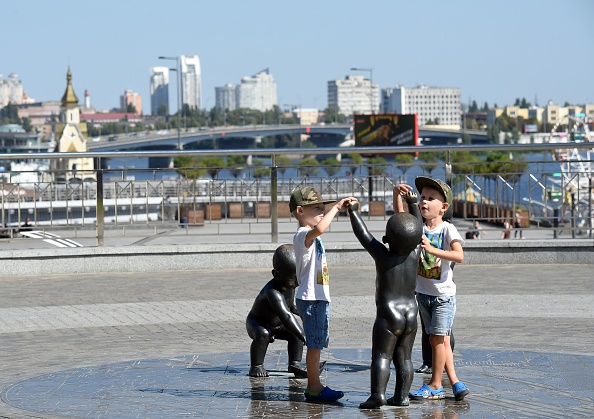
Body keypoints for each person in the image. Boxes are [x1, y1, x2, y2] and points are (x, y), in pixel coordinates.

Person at [348, 189, 423, 408]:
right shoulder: (416, 251)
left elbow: (364, 236)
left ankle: (377, 395)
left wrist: (353, 212)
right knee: (405, 358)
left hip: (388, 314)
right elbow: (419, 229)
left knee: (381, 356)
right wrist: (412, 203)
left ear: (386, 239)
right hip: (411, 311)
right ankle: (402, 396)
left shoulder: (382, 255)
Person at [396, 177, 469, 402]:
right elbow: (401, 222)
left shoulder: (447, 229)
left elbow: (459, 256)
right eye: (422, 198)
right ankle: (455, 382)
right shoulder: (418, 226)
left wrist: (432, 250)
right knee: (441, 341)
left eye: (431, 199)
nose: (424, 202)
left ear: (443, 207)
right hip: (424, 294)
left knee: (437, 340)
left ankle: (436, 385)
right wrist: (396, 196)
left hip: (443, 296)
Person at [289, 186, 356, 403]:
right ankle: (315, 387)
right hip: (311, 299)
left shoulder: (309, 236)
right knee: (315, 345)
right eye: (316, 208)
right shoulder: (302, 235)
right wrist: (336, 208)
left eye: (322, 208)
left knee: (317, 344)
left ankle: (313, 386)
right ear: (300, 211)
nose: (321, 211)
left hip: (317, 298)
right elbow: (320, 229)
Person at [246, 244, 307, 378]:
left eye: (299, 276)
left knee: (294, 334)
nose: (297, 281)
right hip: (257, 323)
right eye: (293, 277)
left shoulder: (290, 286)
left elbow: (291, 308)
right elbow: (286, 316)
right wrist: (304, 334)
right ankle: (256, 366)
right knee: (263, 334)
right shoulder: (273, 292)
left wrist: (305, 314)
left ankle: (295, 363)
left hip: (277, 324)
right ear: (276, 274)